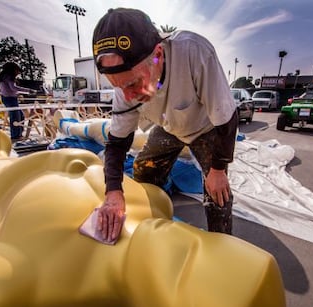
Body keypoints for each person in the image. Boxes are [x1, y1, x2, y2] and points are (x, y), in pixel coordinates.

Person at [92, 8, 238, 243]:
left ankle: (222, 245)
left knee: (216, 193)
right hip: (170, 128)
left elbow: (228, 118)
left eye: (133, 84)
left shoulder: (194, 52)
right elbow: (117, 143)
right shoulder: (125, 88)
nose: (129, 96)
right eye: (119, 87)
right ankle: (153, 226)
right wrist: (113, 192)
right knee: (144, 169)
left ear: (158, 54)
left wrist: (218, 170)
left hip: (207, 128)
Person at [0, 62, 36, 141]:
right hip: (9, 99)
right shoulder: (8, 77)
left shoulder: (4, 77)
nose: (18, 73)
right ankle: (15, 136)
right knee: (15, 117)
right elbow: (13, 88)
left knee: (20, 116)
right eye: (17, 71)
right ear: (12, 70)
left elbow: (10, 89)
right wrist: (28, 91)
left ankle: (18, 134)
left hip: (9, 98)